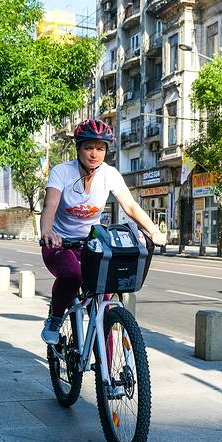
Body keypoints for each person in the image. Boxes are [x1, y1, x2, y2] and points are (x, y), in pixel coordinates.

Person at [39, 119, 167, 344]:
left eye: (100, 148)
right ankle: (55, 319)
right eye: (88, 147)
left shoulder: (110, 174)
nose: (94, 154)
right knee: (72, 276)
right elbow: (50, 205)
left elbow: (130, 206)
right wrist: (48, 232)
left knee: (103, 308)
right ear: (78, 148)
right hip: (60, 243)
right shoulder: (62, 172)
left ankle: (104, 365)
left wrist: (154, 231)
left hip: (92, 244)